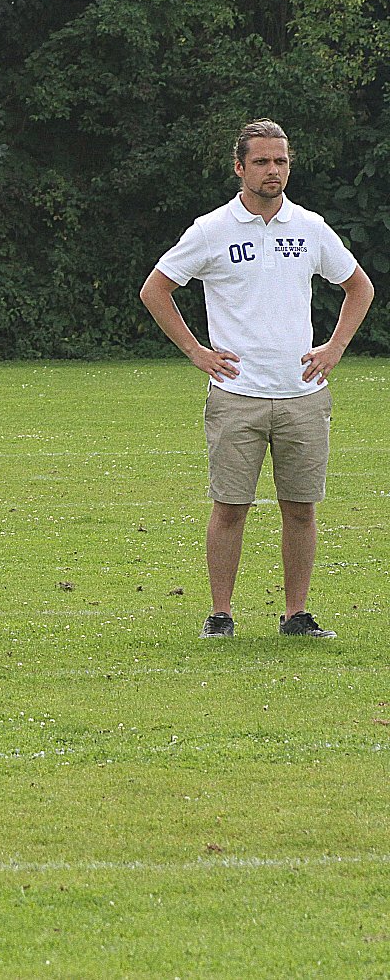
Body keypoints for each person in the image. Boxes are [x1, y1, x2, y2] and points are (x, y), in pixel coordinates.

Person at [140, 118, 374, 639]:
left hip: (302, 395)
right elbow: (155, 290)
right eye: (263, 161)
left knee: (301, 509)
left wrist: (335, 348)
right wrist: (197, 352)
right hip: (236, 395)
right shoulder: (211, 230)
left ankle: (296, 615)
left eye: (281, 161)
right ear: (239, 167)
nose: (274, 170)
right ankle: (221, 615)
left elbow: (360, 287)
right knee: (229, 508)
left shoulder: (309, 227)